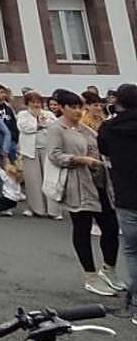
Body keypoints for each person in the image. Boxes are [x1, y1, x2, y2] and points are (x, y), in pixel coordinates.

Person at [47, 89, 123, 296]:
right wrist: (80, 160)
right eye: (72, 107)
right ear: (61, 107)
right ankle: (90, 275)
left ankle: (109, 269)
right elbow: (54, 156)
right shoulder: (56, 128)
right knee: (82, 228)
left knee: (110, 226)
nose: (77, 111)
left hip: (98, 182)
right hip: (77, 184)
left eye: (79, 107)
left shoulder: (84, 128)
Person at [98, 84, 137, 317]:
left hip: (125, 194)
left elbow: (105, 154)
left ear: (118, 102)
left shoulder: (108, 127)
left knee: (132, 250)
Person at [16, 91, 59, 218]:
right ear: (27, 103)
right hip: (30, 151)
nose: (36, 104)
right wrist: (39, 125)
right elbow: (24, 127)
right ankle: (35, 208)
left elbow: (54, 126)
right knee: (33, 180)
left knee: (49, 179)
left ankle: (53, 210)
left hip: (47, 149)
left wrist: (42, 123)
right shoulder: (23, 114)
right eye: (33, 102)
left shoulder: (48, 114)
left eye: (38, 102)